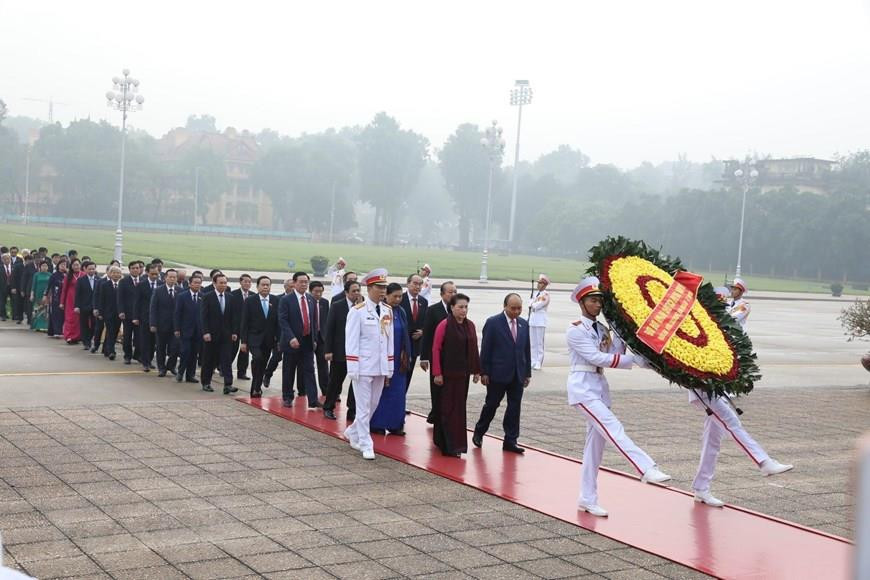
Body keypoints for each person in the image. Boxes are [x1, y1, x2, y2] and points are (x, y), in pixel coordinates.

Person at [567, 276, 670, 518]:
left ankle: (587, 498)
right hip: (583, 388)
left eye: (599, 301)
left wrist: (624, 335)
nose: (597, 305)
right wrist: (630, 360)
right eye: (592, 300)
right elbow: (597, 358)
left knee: (594, 448)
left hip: (599, 387)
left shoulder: (602, 329)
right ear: (582, 303)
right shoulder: (575, 330)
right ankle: (646, 468)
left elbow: (614, 353)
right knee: (614, 428)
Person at [343, 269, 394, 460]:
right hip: (363, 366)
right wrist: (353, 367)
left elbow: (390, 341)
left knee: (373, 404)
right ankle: (366, 442)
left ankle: (353, 432)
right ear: (370, 288)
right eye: (379, 287)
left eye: (384, 287)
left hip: (380, 366)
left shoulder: (388, 310)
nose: (382, 291)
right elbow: (351, 341)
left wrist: (389, 367)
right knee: (363, 406)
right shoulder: (357, 311)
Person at [473, 293, 531, 453]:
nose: (517, 312)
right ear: (505, 306)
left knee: (514, 407)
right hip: (497, 374)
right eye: (513, 308)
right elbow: (486, 349)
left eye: (519, 308)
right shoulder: (493, 323)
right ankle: (479, 431)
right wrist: (483, 371)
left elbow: (526, 349)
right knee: (491, 404)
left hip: (517, 374)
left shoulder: (524, 324)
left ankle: (511, 440)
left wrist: (527, 373)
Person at [431, 293, 480, 457]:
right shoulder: (444, 325)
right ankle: (445, 444)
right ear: (452, 307)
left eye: (466, 307)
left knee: (459, 411)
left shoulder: (470, 325)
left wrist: (476, 370)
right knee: (446, 409)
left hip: (462, 376)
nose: (463, 310)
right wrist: (437, 373)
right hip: (447, 376)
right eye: (460, 307)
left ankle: (457, 445)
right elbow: (436, 349)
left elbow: (474, 348)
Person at [371, 283, 412, 435]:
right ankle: (377, 424)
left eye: (400, 296)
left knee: (398, 393)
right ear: (386, 296)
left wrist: (406, 354)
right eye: (394, 296)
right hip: (383, 357)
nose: (398, 299)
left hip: (399, 360)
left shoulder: (401, 311)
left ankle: (396, 424)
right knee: (381, 392)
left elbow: (405, 334)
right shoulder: (380, 311)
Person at [277, 272, 320, 409]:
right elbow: (283, 320)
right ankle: (287, 397)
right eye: (301, 282)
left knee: (309, 370)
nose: (304, 284)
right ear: (294, 283)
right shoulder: (286, 300)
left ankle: (313, 399)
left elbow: (313, 320)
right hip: (292, 342)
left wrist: (314, 339)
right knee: (289, 370)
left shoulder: (310, 299)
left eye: (306, 282)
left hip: (307, 341)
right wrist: (291, 337)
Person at [323, 280, 361, 421]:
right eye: (354, 291)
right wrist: (328, 350)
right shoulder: (337, 306)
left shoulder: (362, 307)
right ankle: (328, 407)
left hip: (357, 353)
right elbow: (330, 329)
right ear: (346, 292)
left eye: (358, 290)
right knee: (335, 381)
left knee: (356, 383)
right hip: (340, 351)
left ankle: (352, 410)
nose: (356, 294)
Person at [420, 281, 456, 423]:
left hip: (452, 357)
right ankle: (435, 413)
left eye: (455, 291)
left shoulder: (458, 309)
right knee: (436, 388)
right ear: (442, 294)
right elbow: (427, 335)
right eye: (450, 292)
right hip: (437, 356)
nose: (453, 294)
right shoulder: (433, 310)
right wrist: (424, 357)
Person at [239, 276, 279, 398]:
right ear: (257, 286)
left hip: (269, 340)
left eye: (268, 285)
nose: (265, 287)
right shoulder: (250, 301)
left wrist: (279, 339)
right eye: (263, 285)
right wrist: (244, 341)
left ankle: (257, 387)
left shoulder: (276, 300)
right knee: (257, 359)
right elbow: (244, 322)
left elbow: (278, 322)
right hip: (254, 338)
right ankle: (255, 387)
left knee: (263, 363)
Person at [199, 274, 238, 394]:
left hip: (226, 335)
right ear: (214, 283)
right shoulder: (207, 297)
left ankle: (228, 384)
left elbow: (233, 317)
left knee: (226, 360)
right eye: (221, 283)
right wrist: (205, 332)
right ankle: (206, 382)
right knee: (209, 360)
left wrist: (234, 332)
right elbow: (203, 317)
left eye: (225, 283)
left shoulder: (230, 298)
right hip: (211, 335)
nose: (223, 285)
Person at [150, 269, 180, 377]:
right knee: (161, 348)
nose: (172, 279)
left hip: (175, 326)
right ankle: (161, 368)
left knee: (175, 348)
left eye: (174, 277)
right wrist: (153, 324)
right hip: (161, 324)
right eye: (170, 277)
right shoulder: (158, 290)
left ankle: (171, 366)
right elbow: (153, 308)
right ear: (165, 278)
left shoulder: (180, 290)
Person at [174, 273, 203, 383]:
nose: (197, 285)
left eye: (199, 283)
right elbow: (177, 313)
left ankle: (190, 375)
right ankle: (180, 372)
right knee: (185, 352)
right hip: (185, 330)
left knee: (194, 354)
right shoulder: (182, 296)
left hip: (198, 331)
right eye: (195, 283)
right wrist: (177, 329)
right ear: (190, 284)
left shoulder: (202, 296)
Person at [400, 273, 428, 388]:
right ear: (408, 284)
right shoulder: (400, 299)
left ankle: (402, 400)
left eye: (420, 284)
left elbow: (425, 322)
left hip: (415, 345)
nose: (418, 287)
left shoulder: (423, 301)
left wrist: (422, 331)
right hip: (401, 345)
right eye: (415, 283)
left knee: (408, 376)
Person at [135, 264, 162, 372]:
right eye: (152, 274)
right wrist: (136, 317)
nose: (155, 276)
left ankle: (150, 360)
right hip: (144, 317)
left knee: (153, 341)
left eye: (156, 274)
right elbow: (137, 302)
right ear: (147, 273)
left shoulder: (161, 284)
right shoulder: (141, 285)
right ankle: (145, 362)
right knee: (145, 340)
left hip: (157, 318)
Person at [118, 261, 143, 364]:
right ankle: (127, 355)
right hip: (128, 313)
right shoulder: (123, 281)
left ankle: (137, 355)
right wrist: (121, 311)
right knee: (127, 336)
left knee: (139, 337)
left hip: (140, 314)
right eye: (133, 268)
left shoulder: (143, 281)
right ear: (129, 269)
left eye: (137, 268)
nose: (135, 270)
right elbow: (120, 298)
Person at [96, 265, 123, 359]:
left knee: (115, 332)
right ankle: (112, 351)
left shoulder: (122, 285)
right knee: (111, 330)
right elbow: (101, 300)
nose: (116, 275)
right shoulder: (105, 285)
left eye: (118, 273)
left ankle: (106, 348)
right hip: (108, 313)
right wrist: (100, 312)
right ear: (110, 274)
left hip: (119, 313)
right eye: (114, 273)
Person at [230, 274, 253, 380]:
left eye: (249, 282)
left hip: (248, 328)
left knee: (245, 350)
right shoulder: (233, 295)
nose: (247, 284)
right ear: (240, 282)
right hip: (235, 327)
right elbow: (230, 313)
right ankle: (224, 367)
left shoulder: (253, 295)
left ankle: (242, 372)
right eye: (245, 281)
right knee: (232, 349)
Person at [309, 280, 330, 396]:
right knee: (308, 365)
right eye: (316, 292)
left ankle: (325, 389)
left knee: (323, 366)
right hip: (309, 337)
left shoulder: (325, 302)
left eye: (320, 292)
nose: (318, 294)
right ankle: (306, 390)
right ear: (310, 291)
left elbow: (327, 320)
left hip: (322, 338)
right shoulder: (307, 302)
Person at [528, 274, 551, 370]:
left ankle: (538, 362)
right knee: (532, 342)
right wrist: (532, 303)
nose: (538, 285)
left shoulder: (545, 295)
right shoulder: (535, 294)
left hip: (540, 321)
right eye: (538, 283)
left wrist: (532, 304)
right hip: (533, 320)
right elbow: (530, 304)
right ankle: (533, 361)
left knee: (539, 343)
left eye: (540, 283)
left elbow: (537, 305)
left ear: (545, 285)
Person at [74, 261, 98, 351]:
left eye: (93, 269)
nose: (92, 270)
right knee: (84, 324)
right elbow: (77, 294)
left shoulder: (98, 280)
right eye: (90, 269)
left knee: (94, 324)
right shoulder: (81, 280)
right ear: (85, 269)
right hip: (84, 305)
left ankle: (90, 337)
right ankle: (86, 342)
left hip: (95, 306)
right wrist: (77, 306)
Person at [60, 258, 83, 343]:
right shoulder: (68, 276)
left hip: (81, 299)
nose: (76, 266)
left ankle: (77, 336)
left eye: (77, 265)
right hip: (70, 299)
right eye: (74, 265)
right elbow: (64, 290)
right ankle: (69, 336)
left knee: (79, 319)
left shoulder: (83, 275)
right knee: (70, 318)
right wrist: (62, 302)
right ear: (71, 266)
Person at [45, 259, 67, 337]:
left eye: (65, 264)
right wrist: (45, 295)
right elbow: (49, 286)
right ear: (58, 266)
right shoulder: (54, 275)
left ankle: (62, 330)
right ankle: (56, 331)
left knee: (63, 315)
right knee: (56, 314)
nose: (63, 266)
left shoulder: (67, 275)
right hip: (56, 297)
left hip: (65, 297)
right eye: (62, 265)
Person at [28, 260, 51, 332]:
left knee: (45, 311)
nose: (44, 267)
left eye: (46, 266)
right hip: (37, 295)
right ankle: (36, 326)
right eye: (43, 266)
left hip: (46, 295)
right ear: (40, 267)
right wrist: (32, 294)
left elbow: (51, 286)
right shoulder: (36, 275)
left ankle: (45, 326)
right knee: (36, 310)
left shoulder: (50, 275)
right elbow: (33, 285)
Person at [0, 253, 12, 320]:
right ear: (2, 260)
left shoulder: (13, 267)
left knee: (14, 302)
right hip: (2, 288)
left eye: (8, 259)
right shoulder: (0, 267)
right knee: (2, 302)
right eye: (5, 259)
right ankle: (3, 315)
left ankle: (15, 315)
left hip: (12, 287)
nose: (6, 260)